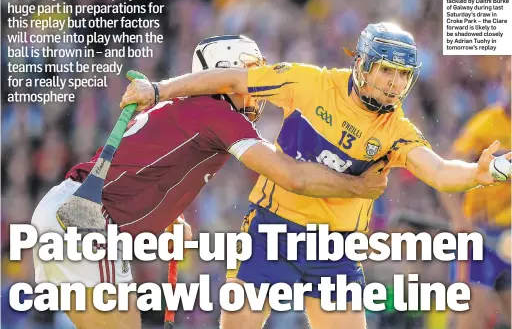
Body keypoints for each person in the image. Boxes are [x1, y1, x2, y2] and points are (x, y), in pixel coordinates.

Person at [120, 23, 512, 329]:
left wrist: (482, 172)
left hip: (336, 250)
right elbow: (235, 80)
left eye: (403, 75)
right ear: (362, 64)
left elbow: (440, 171)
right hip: (271, 230)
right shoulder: (311, 83)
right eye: (387, 71)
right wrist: (159, 89)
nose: (395, 84)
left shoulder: (396, 129)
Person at [31, 35, 389, 329]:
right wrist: (358, 187)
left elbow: (146, 166)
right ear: (223, 74)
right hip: (87, 220)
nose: (257, 86)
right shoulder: (217, 114)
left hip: (61, 210)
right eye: (249, 73)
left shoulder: (183, 110)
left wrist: (169, 217)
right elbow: (291, 176)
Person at [440, 59, 511, 329]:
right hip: (479, 239)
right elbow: (446, 175)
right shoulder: (485, 125)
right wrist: (459, 219)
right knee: (471, 323)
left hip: (509, 237)